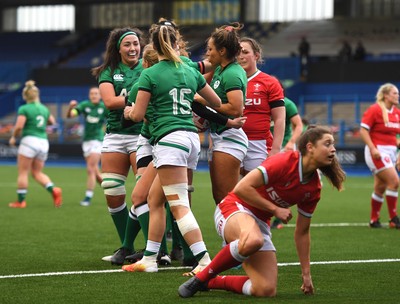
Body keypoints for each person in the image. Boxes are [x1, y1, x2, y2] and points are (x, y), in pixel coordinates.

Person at [178, 126, 346, 298]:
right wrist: (275, 209)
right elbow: (241, 188)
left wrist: (306, 274)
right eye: (327, 144)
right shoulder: (285, 161)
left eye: (333, 144)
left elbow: (302, 233)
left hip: (259, 223)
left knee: (265, 289)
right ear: (310, 147)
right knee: (253, 240)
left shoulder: (314, 188)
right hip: (234, 208)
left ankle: (212, 282)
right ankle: (200, 278)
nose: (333, 149)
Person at [121, 23, 222, 274]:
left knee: (178, 205)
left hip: (168, 141)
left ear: (153, 46)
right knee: (155, 200)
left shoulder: (150, 74)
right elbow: (217, 102)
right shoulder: (189, 70)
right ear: (177, 42)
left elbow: (138, 115)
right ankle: (150, 259)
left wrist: (129, 111)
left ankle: (204, 261)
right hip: (190, 139)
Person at [91, 27, 145, 264]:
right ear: (118, 48)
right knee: (112, 189)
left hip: (142, 135)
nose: (133, 48)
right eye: (127, 44)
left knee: (144, 192)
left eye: (136, 43)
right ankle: (127, 247)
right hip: (115, 135)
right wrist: (142, 95)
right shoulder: (108, 71)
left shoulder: (149, 66)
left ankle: (157, 248)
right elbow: (110, 102)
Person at [199, 23, 248, 205]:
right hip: (219, 135)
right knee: (219, 197)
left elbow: (236, 109)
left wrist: (204, 101)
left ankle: (242, 233)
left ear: (222, 51)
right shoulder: (218, 68)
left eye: (210, 49)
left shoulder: (233, 74)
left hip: (230, 137)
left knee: (227, 198)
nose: (207, 53)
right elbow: (199, 86)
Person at [8, 80, 62, 208]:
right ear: (37, 95)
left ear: (25, 96)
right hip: (43, 142)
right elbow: (52, 122)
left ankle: (21, 202)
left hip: (29, 141)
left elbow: (19, 127)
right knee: (37, 172)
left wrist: (13, 137)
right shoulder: (44, 108)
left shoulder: (24, 108)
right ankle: (54, 190)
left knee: (23, 172)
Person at [238, 37, 285, 176]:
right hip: (231, 140)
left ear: (256, 56)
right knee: (229, 191)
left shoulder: (269, 82)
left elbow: (280, 119)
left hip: (259, 144)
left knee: (256, 191)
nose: (241, 56)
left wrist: (276, 149)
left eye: (245, 52)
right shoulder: (227, 79)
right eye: (238, 53)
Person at [360, 83, 400, 229]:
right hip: (377, 151)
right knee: (394, 182)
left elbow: (396, 137)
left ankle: (374, 220)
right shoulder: (375, 109)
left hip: (391, 152)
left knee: (380, 187)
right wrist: (372, 148)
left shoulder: (396, 112)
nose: (397, 95)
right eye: (395, 93)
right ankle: (393, 218)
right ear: (386, 95)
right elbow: (363, 131)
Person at [66, 86, 108, 206]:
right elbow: (71, 115)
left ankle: (87, 198)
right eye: (92, 94)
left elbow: (112, 119)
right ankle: (111, 191)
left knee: (90, 168)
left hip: (98, 140)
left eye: (96, 93)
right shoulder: (85, 105)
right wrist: (70, 107)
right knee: (95, 171)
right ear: (89, 95)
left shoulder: (103, 107)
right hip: (86, 141)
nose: (94, 95)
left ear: (100, 95)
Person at [270, 96, 303, 229]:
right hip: (264, 146)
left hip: (284, 147)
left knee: (283, 182)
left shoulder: (287, 103)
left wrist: (291, 142)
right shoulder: (259, 100)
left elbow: (298, 124)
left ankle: (279, 218)